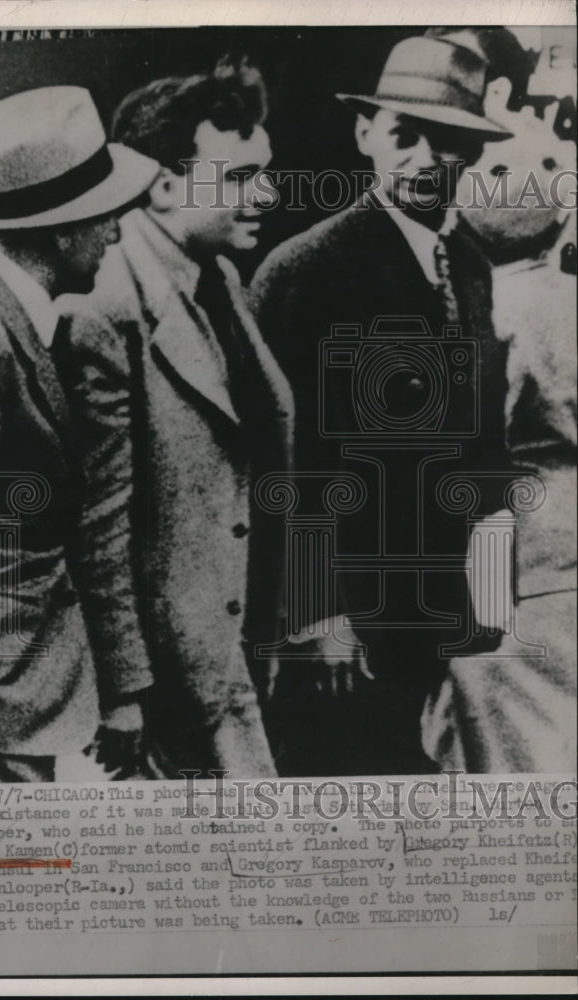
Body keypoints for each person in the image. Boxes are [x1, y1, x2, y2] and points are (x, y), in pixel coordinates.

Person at [250, 35, 514, 774]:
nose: (425, 159)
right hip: (345, 623)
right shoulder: (308, 267)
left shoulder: (468, 266)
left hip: (438, 614)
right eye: (404, 135)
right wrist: (316, 614)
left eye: (450, 142)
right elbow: (288, 458)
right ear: (365, 134)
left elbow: (483, 445)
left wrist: (489, 596)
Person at [0, 85, 160, 784]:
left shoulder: (36, 321)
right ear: (62, 230)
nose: (116, 233)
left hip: (35, 691)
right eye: (104, 216)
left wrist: (121, 688)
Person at [56, 59, 294, 778]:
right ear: (161, 184)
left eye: (265, 171)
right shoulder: (106, 305)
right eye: (237, 179)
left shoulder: (217, 276)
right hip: (164, 686)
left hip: (227, 653)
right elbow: (97, 527)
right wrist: (124, 693)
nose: (268, 194)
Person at [421, 35, 577, 771]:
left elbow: (477, 474)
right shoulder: (561, 302)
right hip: (568, 561)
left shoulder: (486, 318)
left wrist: (476, 619)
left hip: (511, 570)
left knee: (505, 758)